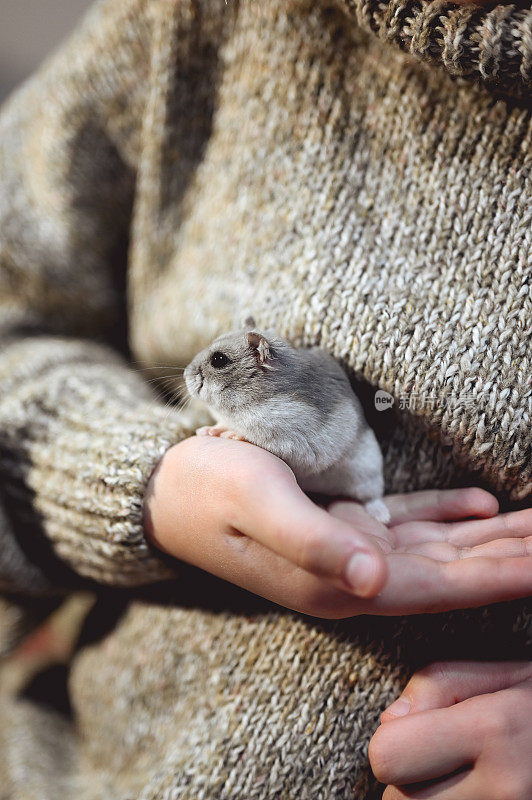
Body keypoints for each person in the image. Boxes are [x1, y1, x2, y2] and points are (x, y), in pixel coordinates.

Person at [0, 0, 530, 797]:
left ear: (256, 362)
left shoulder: (292, 402)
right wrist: (145, 482)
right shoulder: (195, 19)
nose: (198, 379)